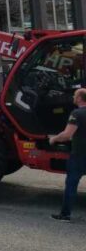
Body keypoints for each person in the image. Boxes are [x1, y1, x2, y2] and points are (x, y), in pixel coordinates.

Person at [49, 87, 86, 221]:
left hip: (79, 155)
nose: (73, 98)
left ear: (80, 98)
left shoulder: (77, 114)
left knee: (71, 184)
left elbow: (67, 135)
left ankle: (65, 215)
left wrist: (54, 139)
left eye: (75, 96)